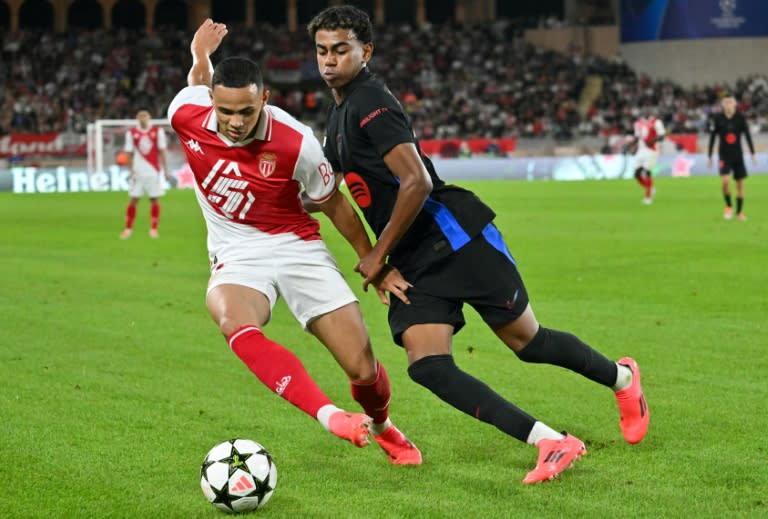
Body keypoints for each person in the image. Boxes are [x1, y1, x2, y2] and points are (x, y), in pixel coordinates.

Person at [307, 5, 649, 484]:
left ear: (365, 51)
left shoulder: (370, 101)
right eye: (321, 51)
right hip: (410, 254)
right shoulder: (339, 111)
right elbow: (330, 189)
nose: (328, 60)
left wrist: (377, 255)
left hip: (452, 235)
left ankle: (624, 379)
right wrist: (377, 260)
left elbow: (417, 181)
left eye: (340, 50)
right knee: (427, 366)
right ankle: (551, 441)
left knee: (528, 342)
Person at [167, 19, 421, 465]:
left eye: (246, 111)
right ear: (211, 102)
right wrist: (200, 56)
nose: (235, 122)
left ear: (264, 98)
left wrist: (374, 261)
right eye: (225, 112)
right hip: (236, 251)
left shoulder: (296, 143)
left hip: (296, 244)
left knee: (362, 367)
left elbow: (335, 205)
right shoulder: (186, 114)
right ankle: (330, 417)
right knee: (233, 319)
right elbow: (195, 82)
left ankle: (383, 425)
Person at [119, 109, 172, 239]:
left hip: (153, 171)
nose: (143, 118)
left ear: (149, 117)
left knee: (154, 199)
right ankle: (128, 228)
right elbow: (128, 153)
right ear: (137, 118)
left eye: (145, 116)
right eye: (140, 116)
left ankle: (154, 229)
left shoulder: (157, 131)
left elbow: (162, 151)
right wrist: (130, 170)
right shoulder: (131, 133)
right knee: (133, 199)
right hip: (138, 172)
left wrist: (166, 170)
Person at [707, 95, 757, 221]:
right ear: (723, 105)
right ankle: (729, 206)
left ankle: (739, 212)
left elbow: (747, 136)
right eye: (726, 102)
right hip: (724, 156)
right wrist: (709, 156)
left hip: (738, 155)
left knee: (740, 184)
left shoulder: (740, 118)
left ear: (735, 104)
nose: (728, 105)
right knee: (725, 181)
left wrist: (752, 153)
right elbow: (713, 137)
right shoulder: (718, 119)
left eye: (731, 102)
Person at [631, 111, 665, 205]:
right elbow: (637, 137)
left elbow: (662, 136)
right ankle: (650, 187)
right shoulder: (638, 123)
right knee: (636, 174)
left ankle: (648, 198)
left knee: (646, 172)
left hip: (652, 150)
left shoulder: (657, 122)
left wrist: (652, 141)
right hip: (641, 151)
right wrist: (631, 146)